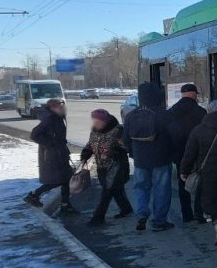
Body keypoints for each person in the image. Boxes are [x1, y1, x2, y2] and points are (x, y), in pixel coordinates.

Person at [180, 101, 217, 245]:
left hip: (207, 172)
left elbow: (190, 153)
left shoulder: (199, 130)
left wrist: (184, 170)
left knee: (210, 199)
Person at [123, 82, 176, 232]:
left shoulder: (131, 116)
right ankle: (159, 221)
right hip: (161, 159)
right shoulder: (164, 115)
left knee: (140, 188)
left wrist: (133, 154)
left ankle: (141, 214)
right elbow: (175, 135)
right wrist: (172, 153)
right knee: (161, 190)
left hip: (140, 160)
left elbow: (126, 139)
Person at [24, 98, 78, 215]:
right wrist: (52, 144)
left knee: (65, 179)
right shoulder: (49, 119)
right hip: (53, 155)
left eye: (63, 106)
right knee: (56, 181)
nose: (63, 108)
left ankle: (65, 205)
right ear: (52, 108)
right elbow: (34, 135)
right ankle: (33, 195)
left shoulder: (58, 117)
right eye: (60, 106)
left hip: (60, 153)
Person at [80, 109, 132, 226]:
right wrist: (86, 152)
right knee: (116, 190)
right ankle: (126, 208)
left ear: (105, 121)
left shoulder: (118, 130)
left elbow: (128, 146)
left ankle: (98, 218)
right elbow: (90, 144)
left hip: (116, 166)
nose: (95, 124)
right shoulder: (94, 131)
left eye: (98, 121)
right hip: (102, 166)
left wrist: (118, 151)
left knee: (106, 193)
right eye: (94, 121)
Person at [168, 83, 207, 224]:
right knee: (200, 182)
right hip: (199, 152)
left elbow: (169, 133)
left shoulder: (172, 111)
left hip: (179, 153)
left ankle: (186, 214)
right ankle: (199, 213)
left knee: (182, 182)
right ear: (194, 94)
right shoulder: (201, 112)